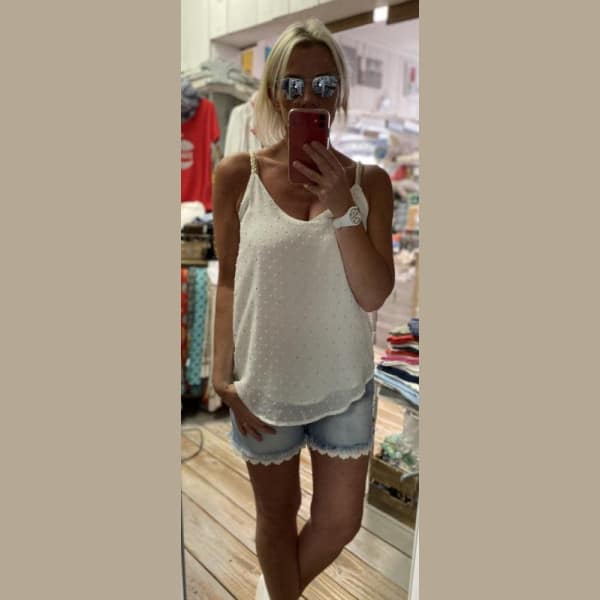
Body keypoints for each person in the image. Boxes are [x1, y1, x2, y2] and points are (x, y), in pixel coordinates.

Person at [211, 18, 395, 600]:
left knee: (340, 521)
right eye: (293, 85)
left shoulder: (370, 182)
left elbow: (373, 294)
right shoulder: (237, 175)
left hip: (344, 383)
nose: (309, 97)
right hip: (264, 383)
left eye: (323, 84)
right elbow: (228, 280)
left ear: (339, 93)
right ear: (272, 94)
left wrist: (342, 206)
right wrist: (219, 372)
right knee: (276, 513)